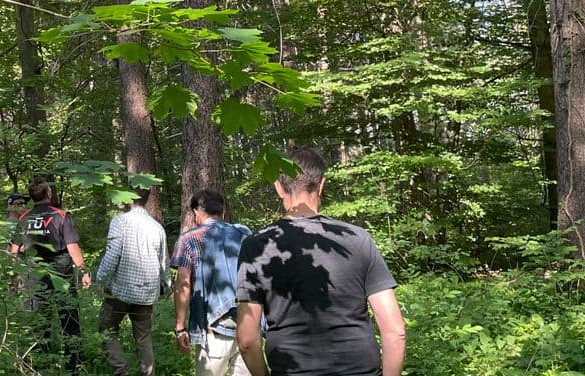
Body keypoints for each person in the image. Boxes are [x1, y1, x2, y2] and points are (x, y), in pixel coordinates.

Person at [235, 147, 407, 376]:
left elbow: (247, 340)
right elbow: (395, 331)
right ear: (321, 185)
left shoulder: (256, 246)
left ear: (278, 187)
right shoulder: (357, 239)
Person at [10, 176, 91, 373]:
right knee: (69, 319)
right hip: (61, 273)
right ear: (49, 193)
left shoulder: (24, 218)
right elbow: (72, 247)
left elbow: (14, 249)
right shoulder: (61, 215)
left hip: (33, 275)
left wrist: (13, 275)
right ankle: (74, 366)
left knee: (39, 320)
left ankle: (41, 366)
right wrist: (84, 270)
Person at [172, 189, 253, 376]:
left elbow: (183, 284)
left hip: (213, 329)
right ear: (222, 212)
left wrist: (180, 327)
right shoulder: (244, 233)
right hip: (248, 324)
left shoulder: (189, 239)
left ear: (195, 213)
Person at [94, 188, 172, 376]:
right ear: (146, 199)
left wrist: (100, 282)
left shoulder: (120, 222)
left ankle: (121, 371)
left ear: (128, 198)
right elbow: (164, 261)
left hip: (119, 291)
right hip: (146, 294)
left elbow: (112, 255)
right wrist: (167, 285)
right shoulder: (157, 227)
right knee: (143, 339)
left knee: (107, 330)